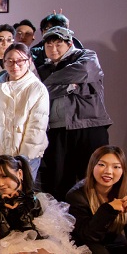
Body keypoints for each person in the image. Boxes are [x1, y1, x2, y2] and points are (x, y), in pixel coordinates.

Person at [37, 26, 112, 201]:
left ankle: (96, 214)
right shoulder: (43, 67)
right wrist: (68, 87)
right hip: (57, 130)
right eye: (49, 45)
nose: (53, 49)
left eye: (58, 44)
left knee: (93, 176)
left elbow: (85, 71)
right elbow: (40, 90)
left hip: (89, 126)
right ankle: (61, 217)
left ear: (69, 44)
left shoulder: (87, 56)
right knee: (58, 179)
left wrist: (48, 82)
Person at [0, 43, 49, 180]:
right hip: (1, 155)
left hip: (28, 157)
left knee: (22, 189)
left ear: (29, 61)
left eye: (20, 61)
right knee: (1, 188)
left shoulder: (37, 88)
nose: (15, 65)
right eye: (10, 61)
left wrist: (23, 159)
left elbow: (36, 128)